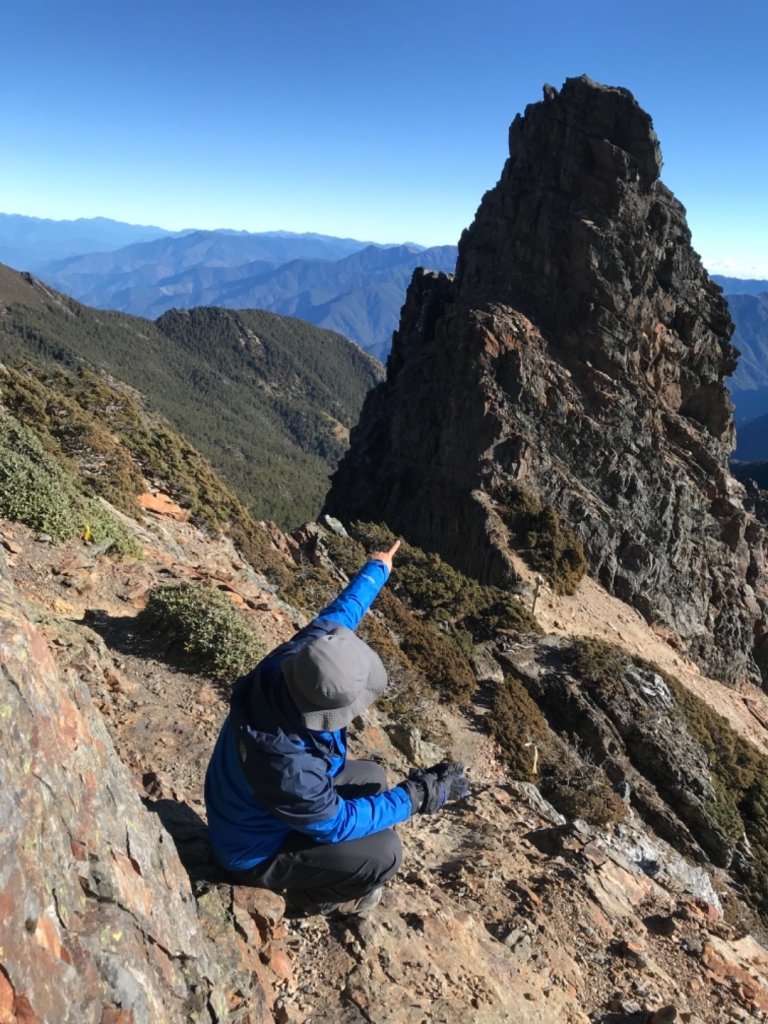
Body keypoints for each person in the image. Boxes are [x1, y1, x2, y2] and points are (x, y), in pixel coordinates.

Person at [204, 539, 469, 916]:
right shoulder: (288, 767)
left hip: (245, 810)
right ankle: (310, 901)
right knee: (384, 855)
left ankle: (327, 870)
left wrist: (377, 570)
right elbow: (337, 825)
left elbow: (341, 614)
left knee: (372, 777)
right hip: (249, 854)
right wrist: (420, 795)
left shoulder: (295, 662)